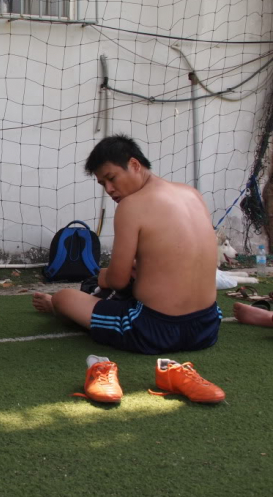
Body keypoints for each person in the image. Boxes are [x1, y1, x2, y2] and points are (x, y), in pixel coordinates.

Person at [32, 134, 221, 354]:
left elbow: (118, 281)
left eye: (111, 178)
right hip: (207, 325)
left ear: (134, 165)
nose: (109, 189)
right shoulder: (192, 194)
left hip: (157, 329)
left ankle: (61, 306)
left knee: (65, 297)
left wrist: (104, 276)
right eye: (103, 184)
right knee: (111, 284)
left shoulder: (131, 206)